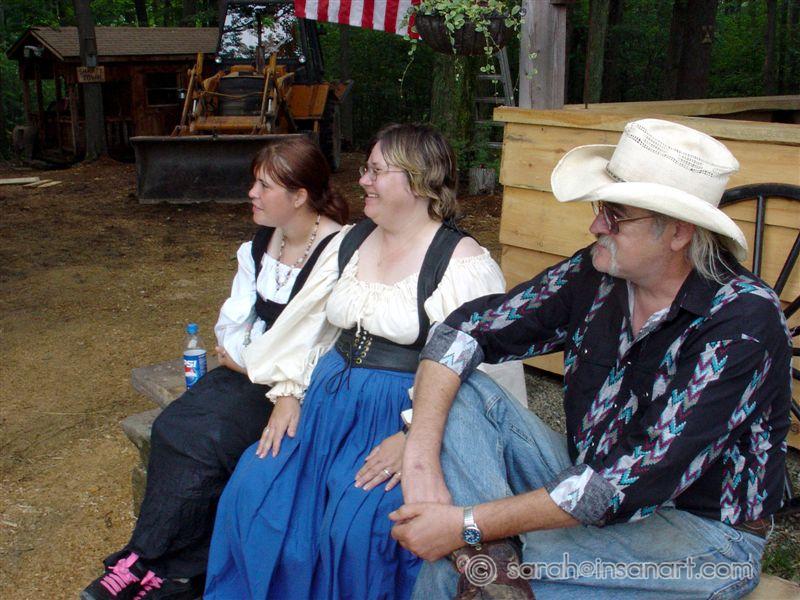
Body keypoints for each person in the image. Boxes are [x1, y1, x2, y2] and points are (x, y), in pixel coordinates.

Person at [393, 119, 792, 599]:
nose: (596, 226)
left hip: (704, 538)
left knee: (452, 573)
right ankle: (492, 558)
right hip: (583, 480)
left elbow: (625, 483)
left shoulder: (742, 321)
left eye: (615, 216)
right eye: (600, 209)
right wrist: (419, 459)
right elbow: (462, 332)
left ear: (678, 232)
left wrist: (465, 524)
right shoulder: (599, 273)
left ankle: (485, 559)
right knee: (466, 388)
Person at [203, 123, 526, 600]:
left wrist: (414, 437)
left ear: (417, 181)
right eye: (365, 170)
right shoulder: (350, 242)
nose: (362, 181)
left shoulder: (461, 263)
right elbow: (309, 327)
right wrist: (289, 392)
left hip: (397, 416)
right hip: (325, 406)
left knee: (359, 527)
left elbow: (486, 378)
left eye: (375, 171)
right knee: (255, 489)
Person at [80, 136, 348, 600]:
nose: (251, 193)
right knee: (171, 427)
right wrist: (248, 356)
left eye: (264, 186)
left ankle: (150, 564)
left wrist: (248, 358)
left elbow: (314, 342)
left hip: (297, 386)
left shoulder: (338, 252)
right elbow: (229, 327)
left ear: (299, 195)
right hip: (252, 373)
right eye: (254, 182)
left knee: (209, 443)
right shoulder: (261, 244)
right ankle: (158, 567)